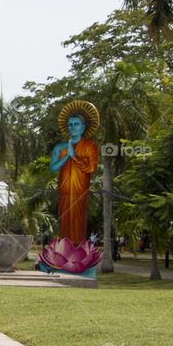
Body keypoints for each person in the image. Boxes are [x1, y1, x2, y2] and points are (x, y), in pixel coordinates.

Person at [49, 102, 99, 245]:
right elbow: (53, 168)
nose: (72, 127)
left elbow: (91, 169)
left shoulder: (90, 146)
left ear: (83, 127)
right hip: (64, 189)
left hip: (80, 189)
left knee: (78, 217)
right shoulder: (60, 148)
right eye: (70, 124)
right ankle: (65, 245)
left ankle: (78, 247)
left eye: (76, 124)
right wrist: (67, 156)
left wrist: (75, 157)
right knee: (64, 217)